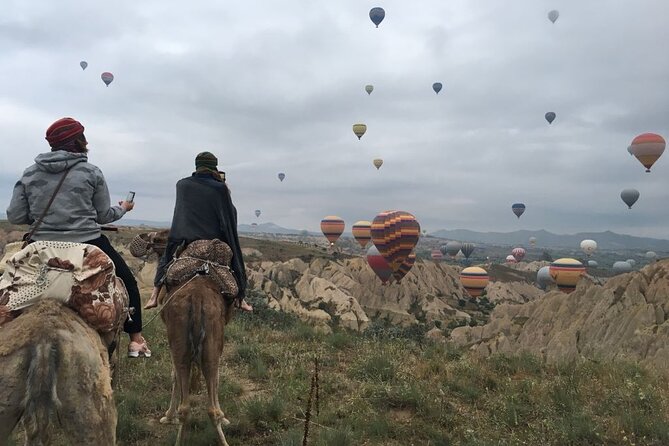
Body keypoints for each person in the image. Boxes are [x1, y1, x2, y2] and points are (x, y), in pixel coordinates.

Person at [6, 117, 151, 358]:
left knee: (7, 281)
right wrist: (124, 208)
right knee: (128, 282)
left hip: (41, 245)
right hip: (88, 243)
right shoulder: (91, 172)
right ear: (78, 141)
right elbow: (104, 215)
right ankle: (135, 339)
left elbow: (15, 214)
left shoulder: (30, 173)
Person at [144, 151, 251, 312]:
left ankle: (154, 294)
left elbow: (180, 216)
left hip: (189, 245)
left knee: (168, 256)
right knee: (235, 262)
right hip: (215, 248)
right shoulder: (220, 189)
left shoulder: (182, 185)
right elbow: (229, 222)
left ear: (197, 166)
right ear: (214, 167)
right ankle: (241, 298)